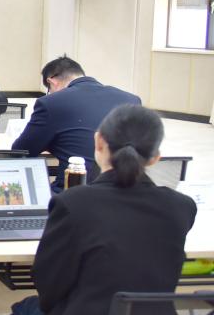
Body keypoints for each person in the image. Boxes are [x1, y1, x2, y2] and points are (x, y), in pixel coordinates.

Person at [25, 105, 197, 315]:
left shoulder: (72, 203)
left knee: (25, 307)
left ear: (98, 141)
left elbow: (48, 283)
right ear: (155, 158)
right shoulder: (182, 206)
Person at [13, 56, 141, 190]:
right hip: (125, 189)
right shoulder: (131, 100)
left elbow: (21, 151)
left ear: (52, 81)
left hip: (73, 189)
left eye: (48, 90)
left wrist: (51, 143)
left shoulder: (51, 103)